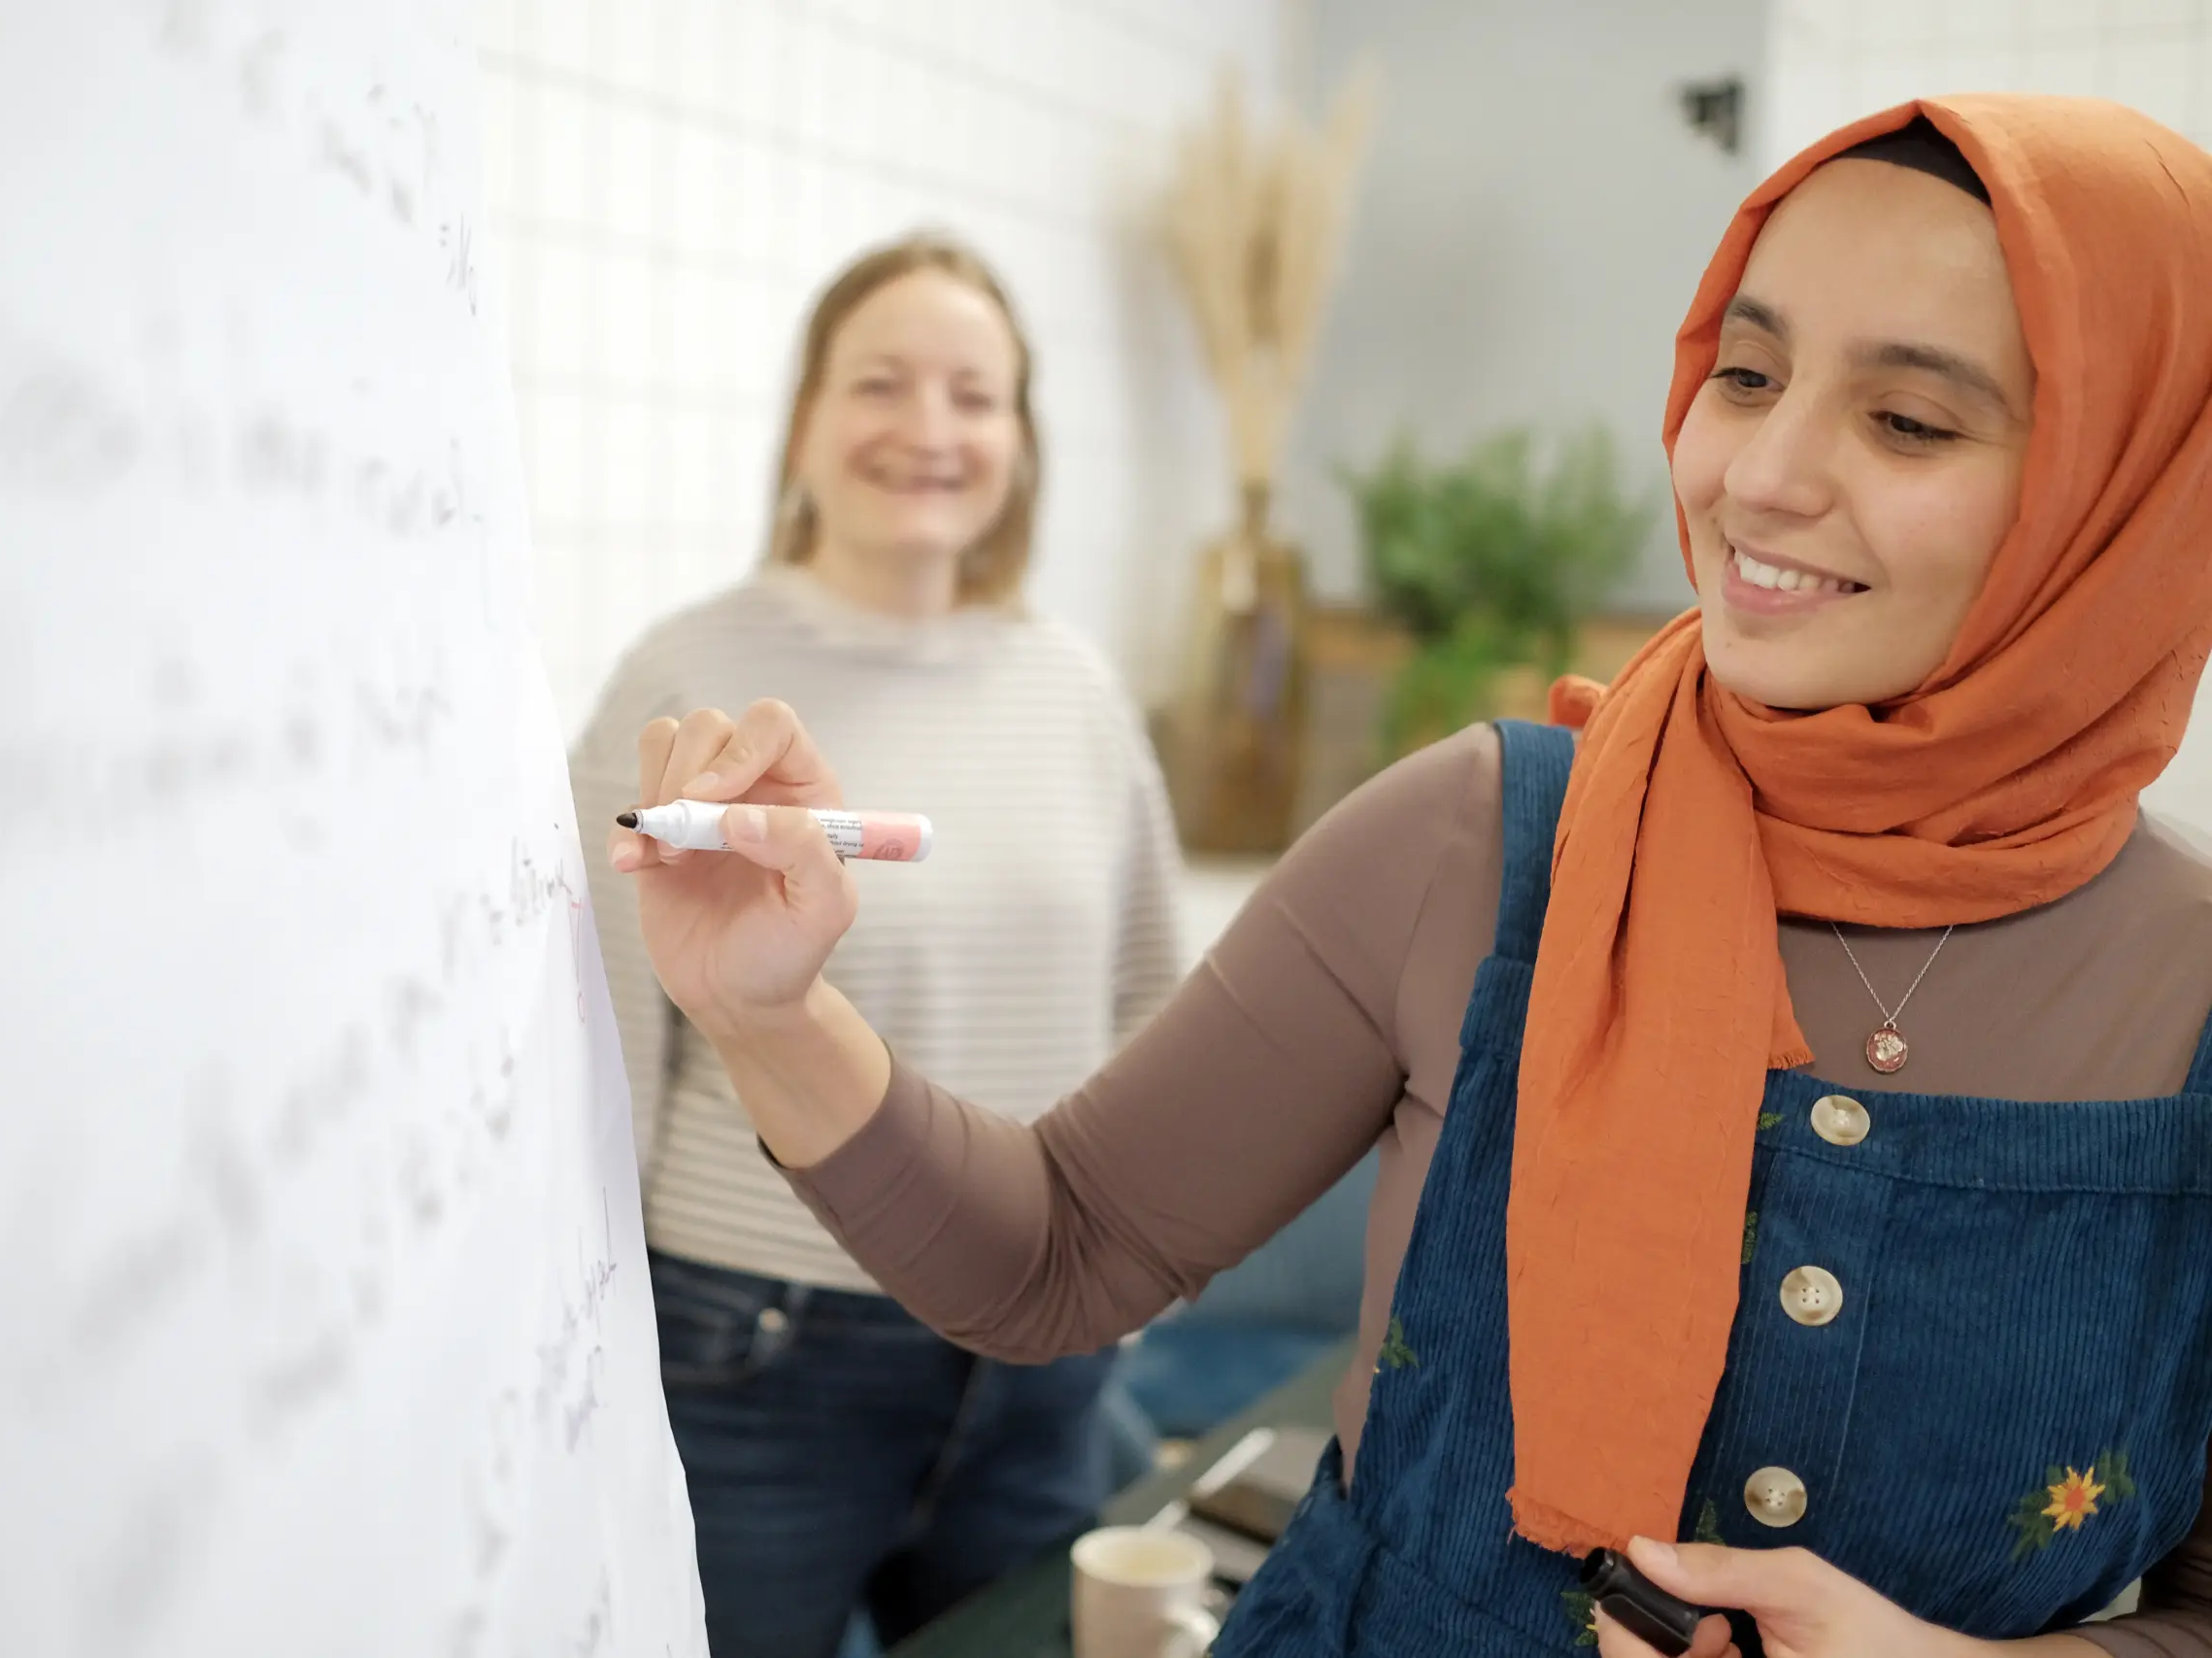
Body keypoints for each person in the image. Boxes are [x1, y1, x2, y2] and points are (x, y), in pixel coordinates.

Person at [605, 95, 2212, 1657]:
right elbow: (1059, 1251)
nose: (1762, 475)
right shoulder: (1478, 838)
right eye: (1746, 370)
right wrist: (771, 1012)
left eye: (1910, 418)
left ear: (2127, 491)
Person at [571, 233, 1184, 1658]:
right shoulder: (684, 681)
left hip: (1040, 1348)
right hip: (758, 1344)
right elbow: (597, 1051)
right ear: (801, 421)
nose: (929, 429)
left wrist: (1133, 1280)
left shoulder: (1079, 691)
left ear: (1022, 442)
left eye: (976, 394)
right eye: (881, 384)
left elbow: (1155, 1002)